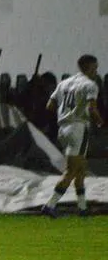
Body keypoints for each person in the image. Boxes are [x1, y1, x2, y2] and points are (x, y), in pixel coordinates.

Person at [42, 55, 103, 217]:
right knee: (71, 170)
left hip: (63, 128)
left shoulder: (64, 83)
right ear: (89, 68)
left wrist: (65, 115)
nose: (96, 71)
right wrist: (100, 123)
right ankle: (50, 205)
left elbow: (50, 105)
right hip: (78, 127)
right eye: (95, 68)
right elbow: (92, 109)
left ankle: (82, 208)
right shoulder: (90, 85)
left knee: (80, 167)